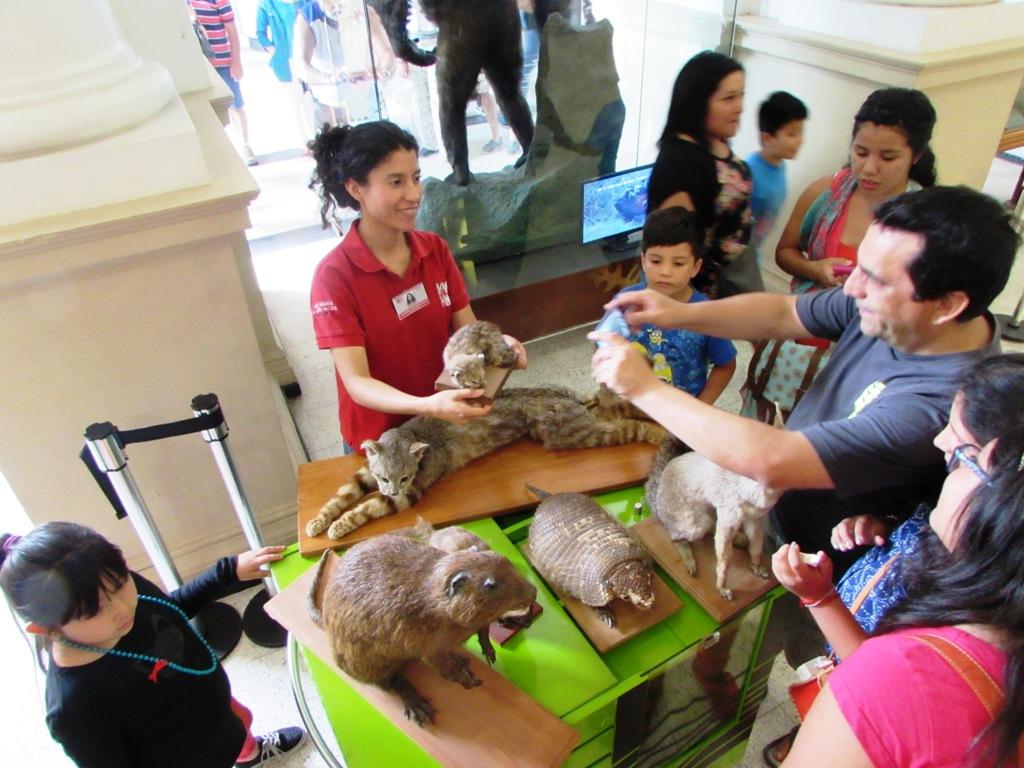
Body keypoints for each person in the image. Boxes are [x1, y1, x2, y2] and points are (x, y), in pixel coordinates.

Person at [592, 185, 1017, 579]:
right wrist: (675, 312)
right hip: (780, 511)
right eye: (858, 267)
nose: (851, 286)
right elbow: (783, 313)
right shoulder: (890, 309)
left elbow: (774, 458)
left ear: (947, 304)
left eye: (876, 279)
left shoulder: (937, 406)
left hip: (831, 567)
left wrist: (645, 388)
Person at [763, 353, 1024, 766]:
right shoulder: (989, 594)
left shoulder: (906, 679)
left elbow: (881, 675)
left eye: (959, 450)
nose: (939, 442)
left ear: (1007, 501)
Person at [0, 522, 304, 768]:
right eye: (95, 610)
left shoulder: (119, 595)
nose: (122, 608)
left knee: (238, 733)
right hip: (187, 758)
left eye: (121, 584)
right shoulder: (75, 708)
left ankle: (249, 754)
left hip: (215, 712)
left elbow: (166, 610)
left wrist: (225, 573)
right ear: (47, 629)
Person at [308, 120, 526, 452]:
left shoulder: (434, 249)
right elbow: (357, 383)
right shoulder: (333, 278)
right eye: (395, 182)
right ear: (355, 188)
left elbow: (468, 333)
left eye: (416, 178)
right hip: (384, 442)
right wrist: (426, 405)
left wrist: (499, 345)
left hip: (446, 423)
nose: (414, 195)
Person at [743, 88, 938, 423]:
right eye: (860, 152)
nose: (869, 169)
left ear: (916, 155)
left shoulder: (927, 218)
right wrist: (815, 269)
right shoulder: (825, 194)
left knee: (831, 430)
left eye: (888, 158)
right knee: (778, 415)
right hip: (803, 329)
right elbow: (785, 251)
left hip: (868, 346)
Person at [601, 207, 736, 403]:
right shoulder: (625, 301)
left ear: (695, 268)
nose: (665, 271)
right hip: (628, 410)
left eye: (678, 263)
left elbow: (725, 365)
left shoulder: (705, 314)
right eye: (656, 261)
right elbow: (602, 345)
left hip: (679, 417)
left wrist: (700, 408)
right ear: (643, 260)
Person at [646, 51, 752, 298]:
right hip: (698, 294)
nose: (740, 107)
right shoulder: (681, 165)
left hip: (726, 283)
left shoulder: (713, 141)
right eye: (728, 98)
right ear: (698, 103)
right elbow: (674, 253)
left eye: (741, 95)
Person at [189, 0, 258, 166]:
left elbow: (232, 31)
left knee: (236, 104)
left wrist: (236, 61)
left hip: (224, 62)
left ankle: (245, 144)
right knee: (212, 109)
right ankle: (224, 151)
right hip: (202, 66)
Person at [746, 91, 808, 265]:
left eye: (800, 132)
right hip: (738, 259)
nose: (799, 140)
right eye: (792, 134)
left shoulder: (779, 166)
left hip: (753, 257)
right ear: (767, 137)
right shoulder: (748, 173)